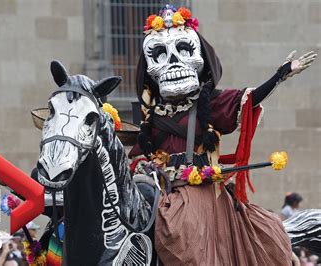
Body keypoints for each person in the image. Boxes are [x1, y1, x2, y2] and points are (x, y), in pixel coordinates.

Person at [130, 4, 317, 265]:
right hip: (161, 187)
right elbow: (139, 156)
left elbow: (248, 99)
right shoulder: (153, 114)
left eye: (183, 50)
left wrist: (280, 75)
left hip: (199, 189)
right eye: (160, 54)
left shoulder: (211, 104)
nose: (173, 62)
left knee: (181, 227)